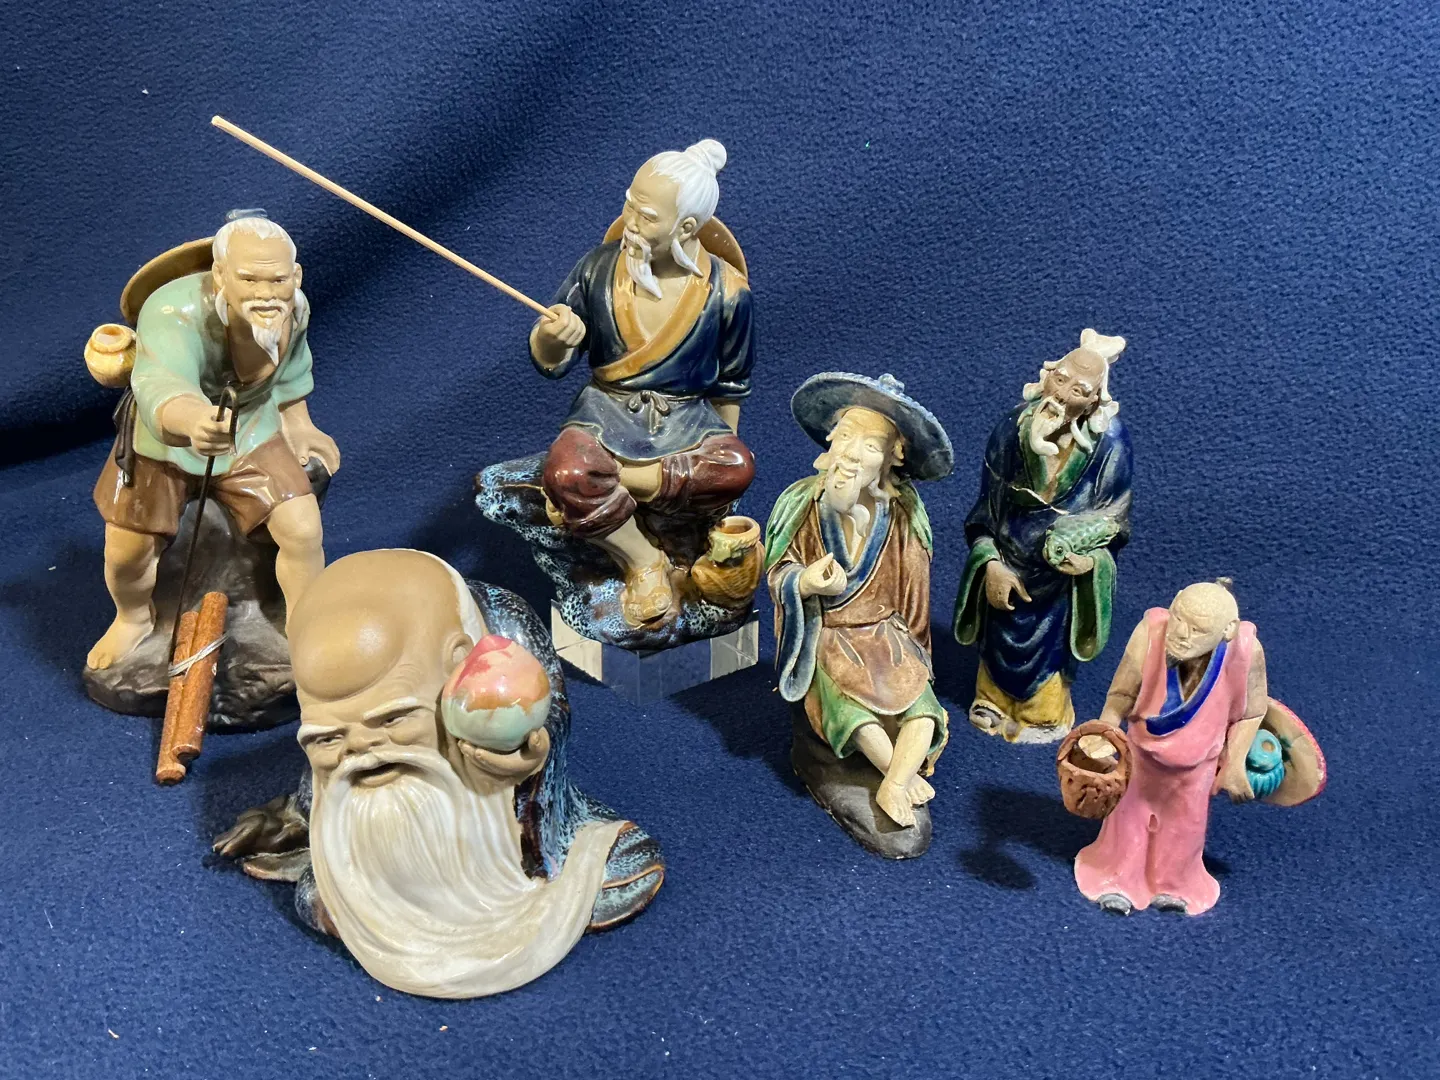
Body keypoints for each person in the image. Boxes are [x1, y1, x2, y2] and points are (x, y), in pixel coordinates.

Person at [213, 549, 663, 998]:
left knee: (616, 870)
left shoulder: (501, 636)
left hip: (497, 832)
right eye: (331, 737)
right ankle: (388, 899)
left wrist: (525, 754)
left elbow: (546, 717)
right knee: (322, 898)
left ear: (460, 664)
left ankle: (494, 894)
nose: (364, 749)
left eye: (392, 720)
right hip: (382, 866)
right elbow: (330, 775)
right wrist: (299, 815)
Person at [88, 211, 337, 669]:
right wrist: (194, 419)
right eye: (249, 279)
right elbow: (161, 382)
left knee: (302, 529)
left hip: (251, 428)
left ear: (296, 276)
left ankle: (304, 622)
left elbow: (291, 373)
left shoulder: (294, 309)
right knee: (127, 553)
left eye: (278, 280)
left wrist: (298, 423)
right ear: (220, 275)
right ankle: (133, 618)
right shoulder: (171, 310)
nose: (266, 294)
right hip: (162, 441)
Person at [529, 140, 755, 626]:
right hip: (604, 414)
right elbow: (552, 362)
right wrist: (551, 338)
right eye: (629, 204)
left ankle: (620, 482)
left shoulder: (729, 293)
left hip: (687, 420)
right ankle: (643, 561)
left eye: (647, 216)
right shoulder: (597, 268)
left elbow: (732, 383)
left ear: (686, 228)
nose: (630, 222)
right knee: (566, 473)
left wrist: (723, 451)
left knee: (736, 468)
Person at [766, 373, 953, 848]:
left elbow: (914, 593)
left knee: (922, 706)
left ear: (893, 458)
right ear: (830, 441)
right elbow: (777, 571)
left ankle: (894, 781)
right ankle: (897, 774)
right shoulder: (800, 504)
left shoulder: (902, 514)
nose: (851, 454)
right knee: (849, 708)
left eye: (870, 446)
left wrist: (915, 647)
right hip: (830, 632)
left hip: (884, 633)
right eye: (846, 437)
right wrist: (804, 582)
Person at [1071, 580, 1323, 916]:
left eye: (1197, 629)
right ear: (1174, 602)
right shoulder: (1151, 633)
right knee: (1128, 819)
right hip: (1141, 758)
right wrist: (1106, 731)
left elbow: (1251, 713)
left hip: (1198, 767)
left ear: (1228, 630)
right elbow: (1121, 694)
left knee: (1184, 828)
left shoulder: (1245, 651)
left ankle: (1174, 884)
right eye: (1179, 618)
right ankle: (1119, 879)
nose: (1181, 634)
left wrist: (1234, 765)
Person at [953, 330, 1132, 744]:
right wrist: (990, 563)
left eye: (1079, 390)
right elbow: (984, 511)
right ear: (1046, 375)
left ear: (1095, 400)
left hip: (1059, 580)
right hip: (1009, 561)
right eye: (1060, 379)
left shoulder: (1110, 444)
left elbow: (1116, 516)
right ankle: (993, 699)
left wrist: (1089, 563)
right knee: (998, 637)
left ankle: (1042, 711)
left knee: (1046, 683)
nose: (1062, 394)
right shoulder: (1010, 430)